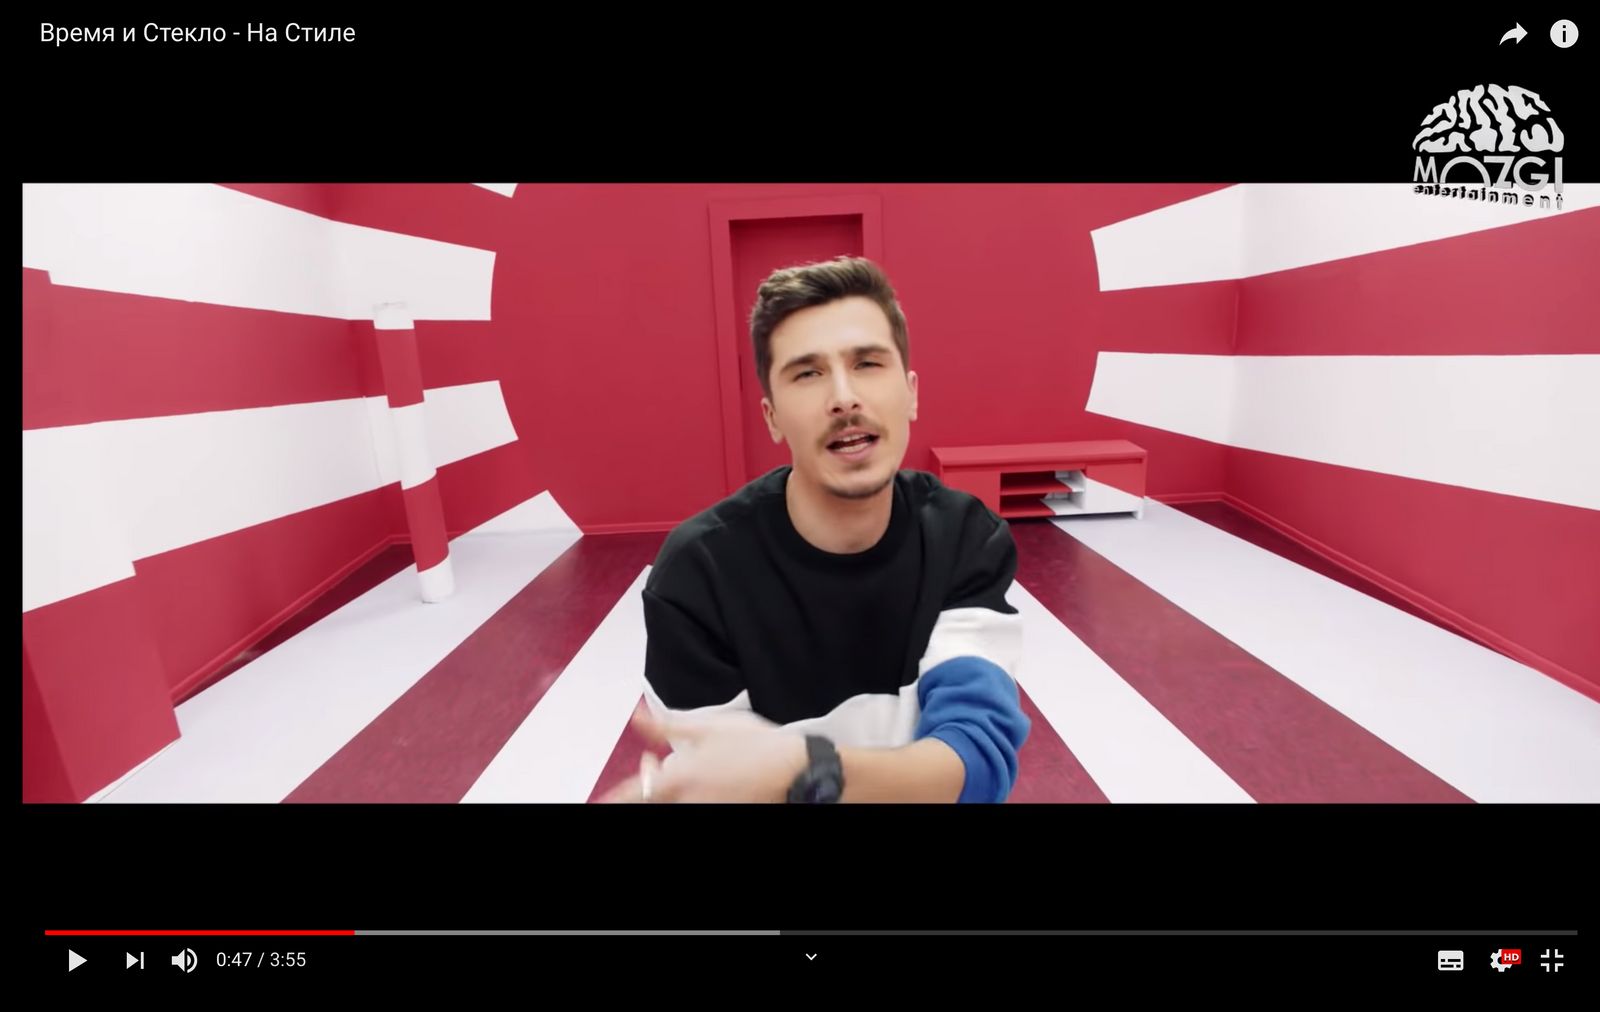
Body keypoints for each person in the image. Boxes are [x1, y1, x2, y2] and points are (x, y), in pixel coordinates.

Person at [601, 256, 1028, 803]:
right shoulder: (697, 576)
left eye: (868, 363)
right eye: (808, 373)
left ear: (911, 391)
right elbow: (731, 786)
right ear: (772, 416)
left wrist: (808, 768)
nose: (844, 398)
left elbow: (978, 762)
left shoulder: (966, 538)